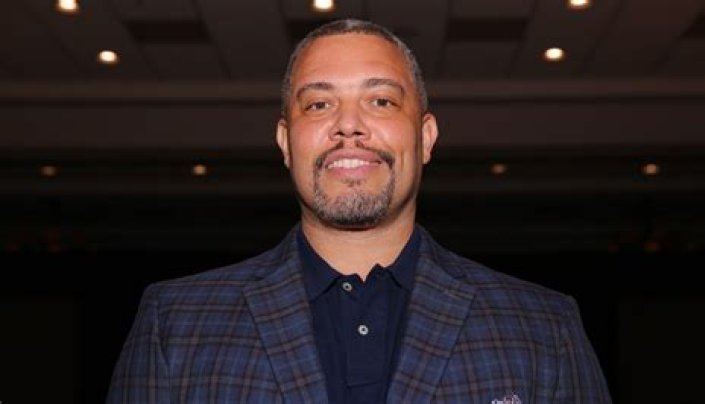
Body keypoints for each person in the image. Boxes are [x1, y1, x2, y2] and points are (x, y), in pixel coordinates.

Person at [107, 19, 611, 403]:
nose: (349, 125)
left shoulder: (544, 328)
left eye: (382, 102)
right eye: (318, 105)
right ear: (285, 141)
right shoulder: (175, 323)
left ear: (426, 137)